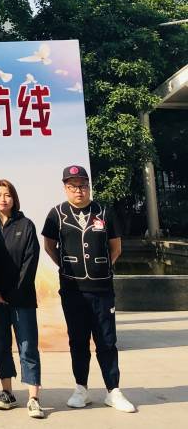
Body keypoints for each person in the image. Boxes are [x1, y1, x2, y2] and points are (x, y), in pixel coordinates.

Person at [42, 165, 136, 413]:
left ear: (89, 186)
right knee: (78, 340)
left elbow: (116, 248)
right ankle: (81, 389)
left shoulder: (104, 212)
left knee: (107, 340)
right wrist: (67, 267)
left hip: (102, 289)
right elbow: (49, 246)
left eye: (83, 185)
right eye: (72, 186)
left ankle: (113, 391)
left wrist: (100, 268)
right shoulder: (56, 214)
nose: (78, 191)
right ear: (65, 188)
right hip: (72, 290)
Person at [0, 180, 45, 418]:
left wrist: (11, 293)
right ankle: (7, 392)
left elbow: (30, 261)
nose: (3, 199)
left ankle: (33, 397)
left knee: (27, 347)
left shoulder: (25, 225)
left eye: (7, 194)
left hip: (22, 298)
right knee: (1, 346)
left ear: (14, 198)